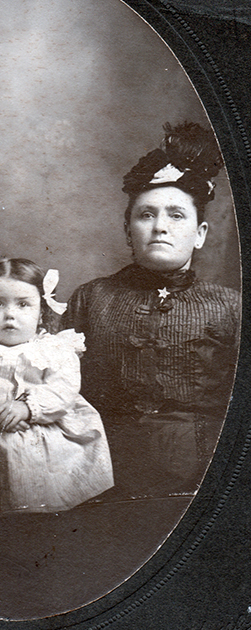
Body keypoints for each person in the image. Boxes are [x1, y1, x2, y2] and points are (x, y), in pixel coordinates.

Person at [63, 122, 240, 497]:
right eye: (146, 215)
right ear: (128, 230)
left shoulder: (229, 306)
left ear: (201, 233)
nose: (160, 227)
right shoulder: (91, 299)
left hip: (203, 477)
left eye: (176, 215)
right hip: (103, 470)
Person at [0, 257, 114, 518]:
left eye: (23, 304)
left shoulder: (54, 348)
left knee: (51, 499)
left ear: (41, 310)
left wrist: (28, 407)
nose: (10, 314)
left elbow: (63, 389)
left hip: (46, 433)